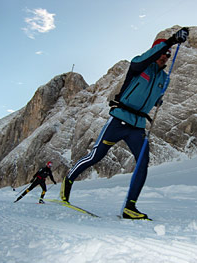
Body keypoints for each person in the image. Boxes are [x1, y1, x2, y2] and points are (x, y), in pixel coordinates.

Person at [60, 27, 189, 219]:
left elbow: (151, 97)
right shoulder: (139, 65)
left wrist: (157, 101)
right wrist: (170, 41)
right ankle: (68, 180)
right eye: (162, 53)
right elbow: (139, 64)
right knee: (96, 156)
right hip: (119, 119)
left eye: (168, 55)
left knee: (143, 162)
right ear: (154, 51)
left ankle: (130, 207)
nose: (165, 57)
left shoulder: (164, 78)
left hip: (137, 126)